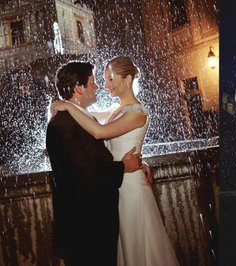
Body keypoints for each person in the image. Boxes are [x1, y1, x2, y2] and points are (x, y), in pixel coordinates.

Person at [51, 56, 179, 266]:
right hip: (117, 185)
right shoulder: (114, 110)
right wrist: (61, 108)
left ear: (127, 80)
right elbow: (84, 120)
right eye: (103, 79)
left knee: (138, 247)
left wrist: (67, 106)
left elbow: (99, 132)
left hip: (130, 188)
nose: (105, 85)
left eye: (110, 79)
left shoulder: (138, 112)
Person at [46, 61, 143, 266]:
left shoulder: (79, 118)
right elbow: (84, 173)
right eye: (93, 82)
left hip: (96, 222)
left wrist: (140, 164)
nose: (98, 86)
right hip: (86, 226)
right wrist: (123, 167)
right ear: (78, 88)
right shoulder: (62, 124)